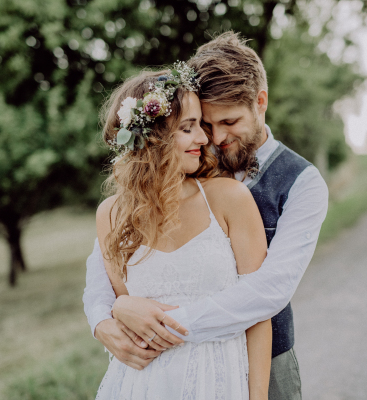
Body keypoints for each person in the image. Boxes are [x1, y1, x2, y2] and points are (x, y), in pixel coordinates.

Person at [84, 32, 329, 400]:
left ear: (260, 102)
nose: (213, 137)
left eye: (228, 122)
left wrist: (164, 327)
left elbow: (270, 289)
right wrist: (107, 315)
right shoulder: (185, 164)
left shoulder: (303, 183)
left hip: (261, 361)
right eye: (203, 123)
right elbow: (105, 263)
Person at [93, 62, 272, 399]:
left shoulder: (229, 198)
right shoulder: (110, 216)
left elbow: (258, 312)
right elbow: (120, 304)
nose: (205, 138)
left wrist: (258, 396)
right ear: (153, 136)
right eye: (189, 127)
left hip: (218, 381)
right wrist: (117, 310)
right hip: (143, 385)